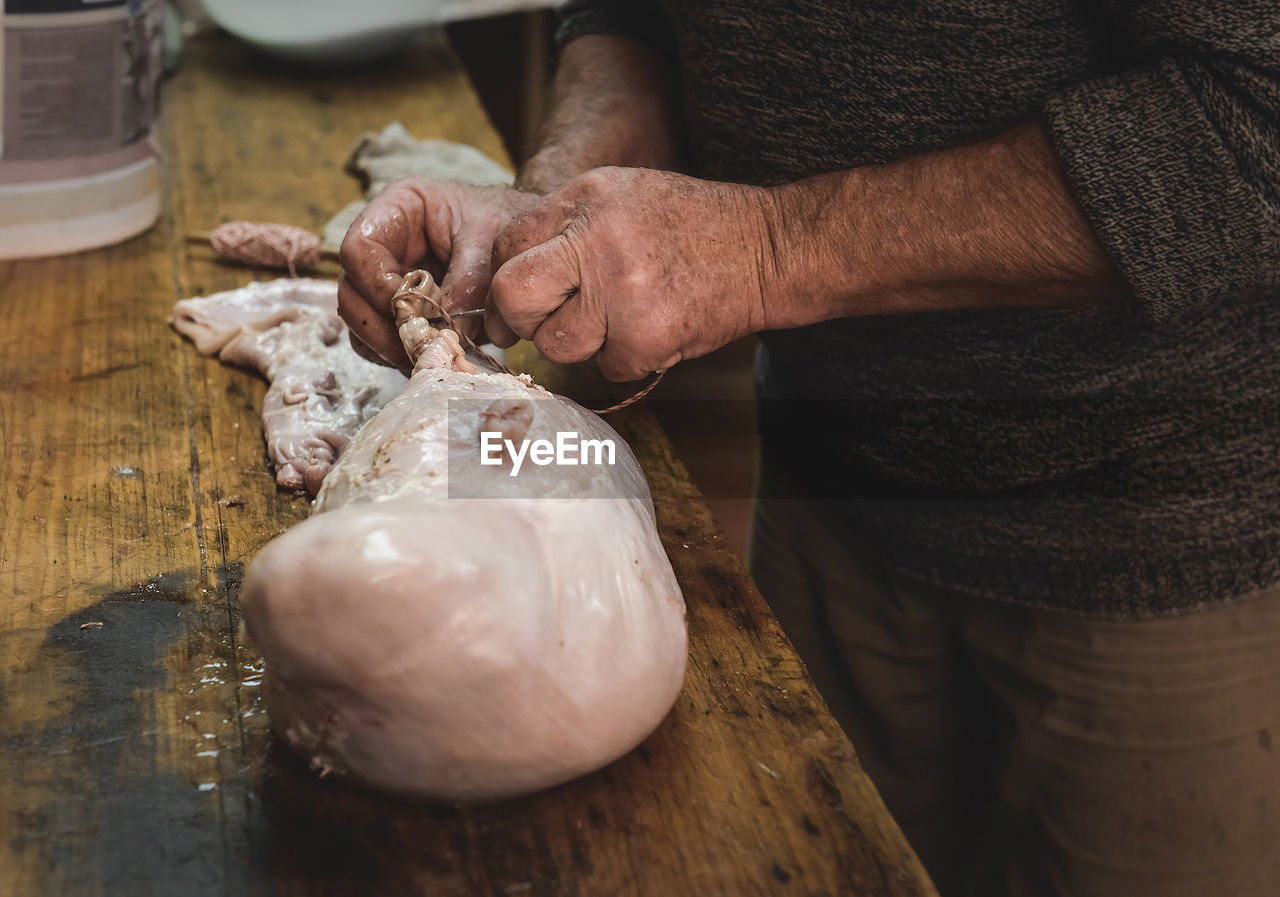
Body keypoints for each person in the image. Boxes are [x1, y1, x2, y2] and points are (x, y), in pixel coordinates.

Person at [337, 2, 1280, 894]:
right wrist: (557, 207)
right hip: (826, 480)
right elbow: (634, 15)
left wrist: (766, 252)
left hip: (1159, 532)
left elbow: (1254, 119)